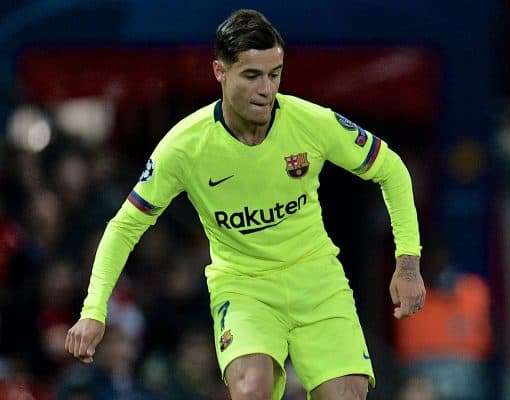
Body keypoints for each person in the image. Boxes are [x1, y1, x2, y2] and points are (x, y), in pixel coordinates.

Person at [65, 9, 425, 400]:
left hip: (318, 281)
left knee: (345, 396)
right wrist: (93, 310)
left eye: (275, 74)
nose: (266, 89)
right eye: (252, 75)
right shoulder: (185, 147)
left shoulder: (310, 122)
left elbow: (391, 168)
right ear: (220, 71)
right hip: (244, 287)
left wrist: (407, 263)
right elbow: (124, 226)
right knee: (251, 390)